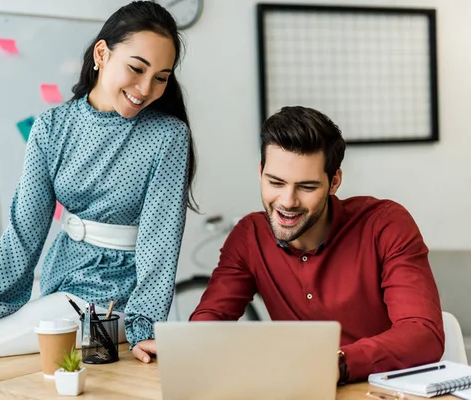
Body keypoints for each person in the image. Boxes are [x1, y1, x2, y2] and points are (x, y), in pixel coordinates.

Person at [0, 1, 197, 368]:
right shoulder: (51, 127)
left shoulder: (167, 136)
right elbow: (25, 231)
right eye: (137, 68)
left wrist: (143, 326)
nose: (146, 88)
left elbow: (159, 241)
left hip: (113, 298)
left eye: (161, 77)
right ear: (102, 53)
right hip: (61, 282)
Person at [190, 106, 444, 383]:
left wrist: (335, 364)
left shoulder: (385, 225)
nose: (287, 201)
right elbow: (212, 317)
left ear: (334, 182)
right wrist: (182, 346)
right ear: (260, 172)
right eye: (275, 182)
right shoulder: (249, 236)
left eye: (307, 187)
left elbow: (423, 334)